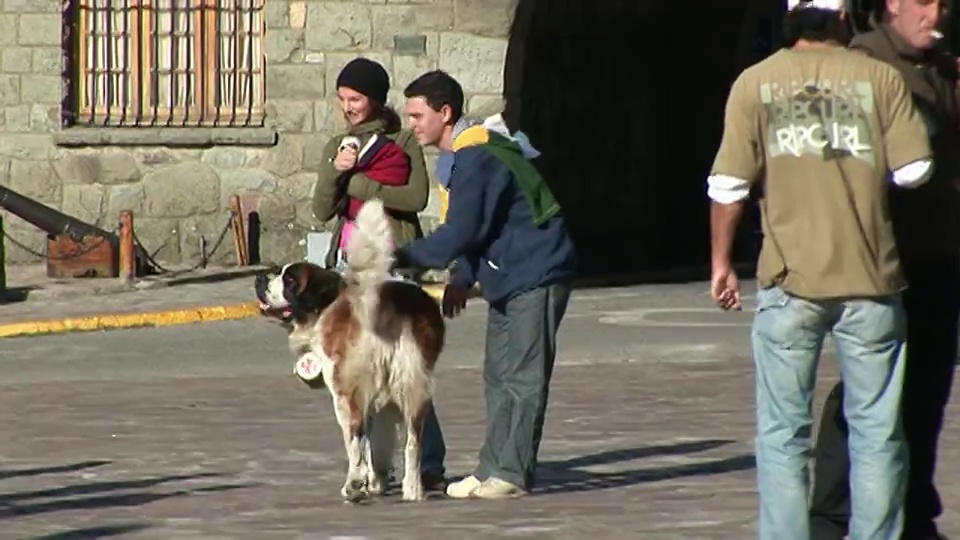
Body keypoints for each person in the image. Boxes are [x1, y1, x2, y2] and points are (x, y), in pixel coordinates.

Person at [707, 1, 934, 538]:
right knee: (877, 432)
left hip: (791, 278)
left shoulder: (755, 82)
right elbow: (916, 169)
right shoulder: (880, 78)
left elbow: (728, 187)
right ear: (843, 18)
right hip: (870, 275)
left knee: (783, 433)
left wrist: (721, 262)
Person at [809, 1, 960, 538]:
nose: (935, 14)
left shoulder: (939, 65)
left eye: (942, 3)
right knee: (867, 392)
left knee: (926, 391)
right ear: (892, 3)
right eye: (923, 2)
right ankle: (830, 515)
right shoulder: (866, 64)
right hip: (888, 257)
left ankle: (914, 510)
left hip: (939, 253)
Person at [392, 70, 577, 499]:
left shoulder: (478, 154)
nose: (413, 124)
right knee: (497, 373)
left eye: (418, 115)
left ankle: (510, 472)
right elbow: (484, 226)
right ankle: (491, 466)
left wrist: (401, 256)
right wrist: (462, 276)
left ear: (445, 112)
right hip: (508, 274)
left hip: (537, 272)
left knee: (523, 376)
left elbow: (462, 230)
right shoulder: (466, 154)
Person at [310, 57, 449, 492]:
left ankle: (428, 461)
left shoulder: (403, 139)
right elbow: (320, 208)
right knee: (354, 369)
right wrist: (336, 169)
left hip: (394, 260)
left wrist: (356, 182)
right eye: (343, 99)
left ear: (374, 98)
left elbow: (414, 195)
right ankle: (368, 466)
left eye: (355, 98)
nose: (348, 107)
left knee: (407, 366)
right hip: (346, 262)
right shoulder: (338, 142)